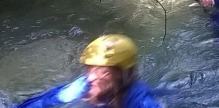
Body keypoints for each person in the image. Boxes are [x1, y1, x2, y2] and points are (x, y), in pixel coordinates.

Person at [13, 34, 162, 108]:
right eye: (89, 69)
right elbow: (42, 102)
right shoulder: (82, 86)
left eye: (101, 72)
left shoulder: (139, 97)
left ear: (120, 73)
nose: (90, 78)